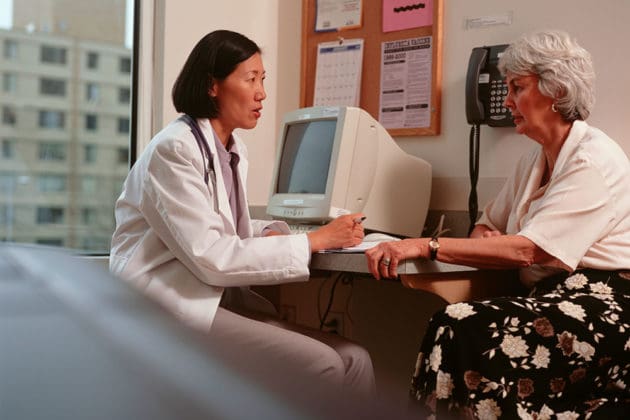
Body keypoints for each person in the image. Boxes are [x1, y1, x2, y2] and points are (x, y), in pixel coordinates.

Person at [365, 30, 630, 418]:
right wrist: (488, 237)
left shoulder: (591, 161)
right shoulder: (534, 161)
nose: (506, 101)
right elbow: (487, 226)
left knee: (460, 324)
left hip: (604, 307)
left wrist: (427, 245)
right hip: (553, 300)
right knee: (458, 326)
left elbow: (528, 249)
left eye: (517, 87)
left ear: (556, 90)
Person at [110, 29, 375, 397]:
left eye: (262, 79)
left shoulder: (232, 150)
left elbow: (220, 224)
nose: (261, 92)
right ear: (212, 86)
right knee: (324, 363)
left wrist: (268, 232)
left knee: (356, 359)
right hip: (170, 306)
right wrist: (313, 240)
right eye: (250, 79)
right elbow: (212, 256)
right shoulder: (173, 150)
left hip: (210, 298)